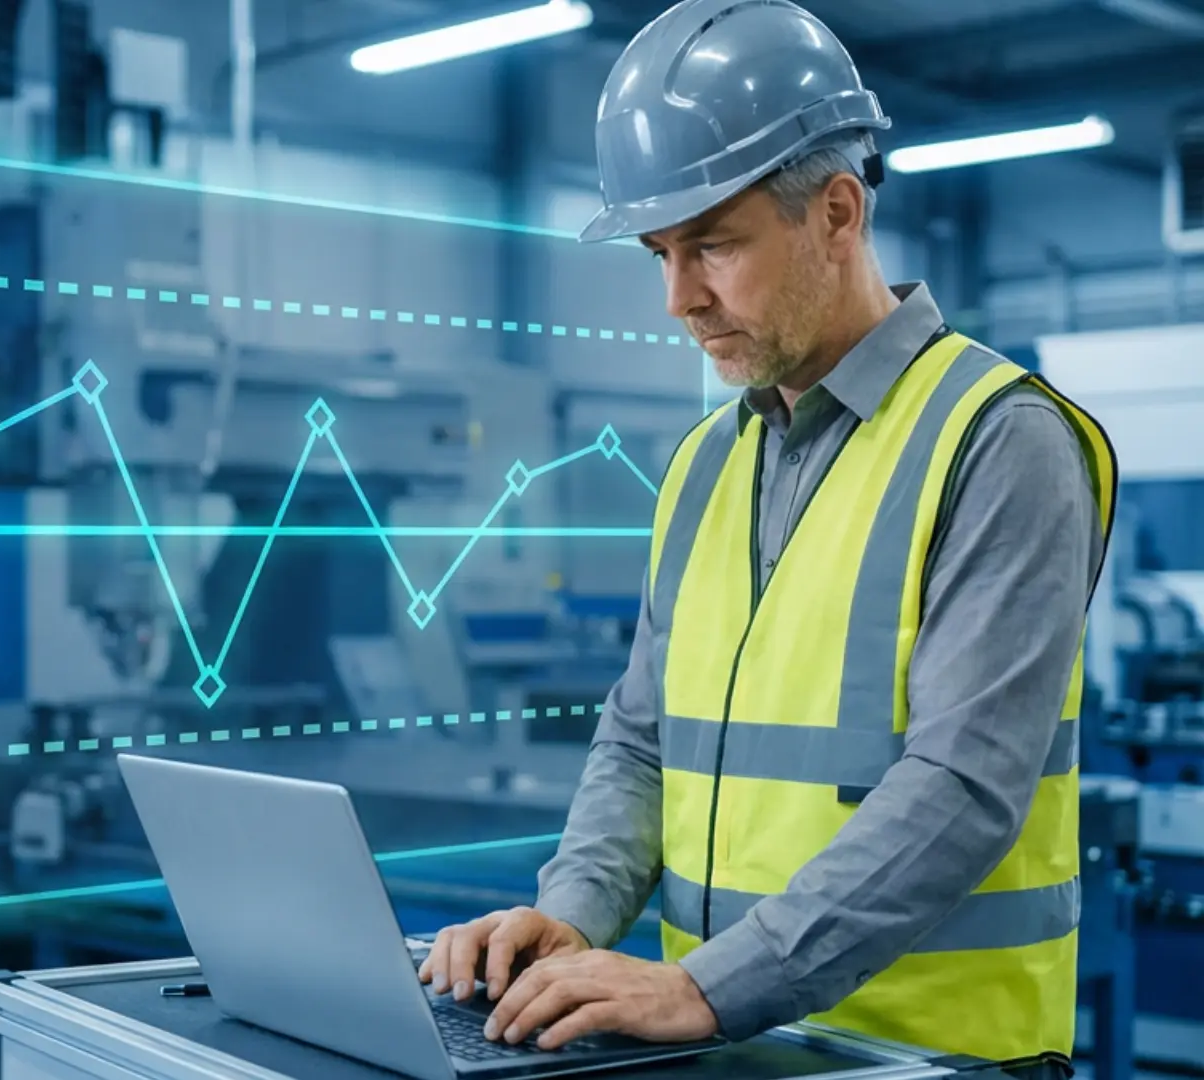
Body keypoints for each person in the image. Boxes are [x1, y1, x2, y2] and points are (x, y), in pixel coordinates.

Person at [418, 0, 1117, 1070]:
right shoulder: (705, 465)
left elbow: (964, 787)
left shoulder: (1000, 441)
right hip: (736, 1048)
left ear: (837, 213)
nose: (678, 299)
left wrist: (710, 987)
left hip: (939, 1059)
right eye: (659, 253)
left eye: (713, 247)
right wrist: (575, 913)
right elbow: (643, 738)